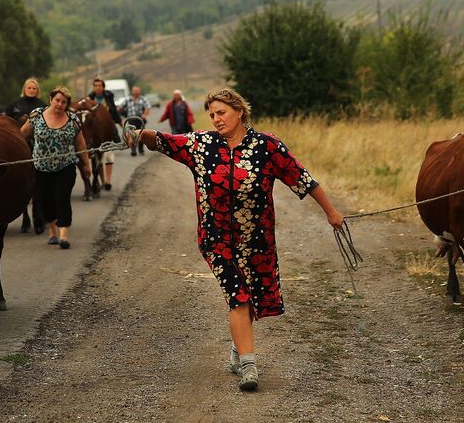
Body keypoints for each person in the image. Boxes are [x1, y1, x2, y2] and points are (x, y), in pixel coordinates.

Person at [127, 88, 344, 391]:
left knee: (251, 295)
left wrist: (332, 212)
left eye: (221, 112)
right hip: (216, 239)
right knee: (238, 295)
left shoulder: (268, 147)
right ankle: (249, 366)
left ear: (239, 111)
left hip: (256, 239)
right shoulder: (201, 145)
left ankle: (237, 350)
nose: (216, 119)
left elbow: (303, 179)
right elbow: (164, 141)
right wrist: (139, 134)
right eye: (212, 114)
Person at [20, 86, 91, 250]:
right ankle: (52, 231)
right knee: (45, 201)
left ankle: (63, 235)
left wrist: (86, 165)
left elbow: (80, 143)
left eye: (64, 102)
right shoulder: (36, 115)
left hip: (65, 166)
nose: (59, 104)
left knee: (62, 198)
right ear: (51, 99)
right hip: (41, 168)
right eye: (57, 100)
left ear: (67, 104)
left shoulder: (73, 119)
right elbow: (21, 134)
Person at [5, 78, 48, 233]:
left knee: (38, 184)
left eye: (34, 88)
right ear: (24, 89)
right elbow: (5, 121)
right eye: (29, 88)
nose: (31, 90)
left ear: (37, 90)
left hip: (38, 145)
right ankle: (25, 217)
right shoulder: (15, 105)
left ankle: (39, 218)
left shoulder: (43, 105)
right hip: (18, 143)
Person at [88, 77, 123, 191]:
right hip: (95, 131)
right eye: (96, 85)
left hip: (108, 128)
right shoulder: (90, 98)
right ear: (93, 87)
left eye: (100, 85)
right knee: (97, 156)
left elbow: (114, 111)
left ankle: (108, 181)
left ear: (103, 87)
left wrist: (122, 125)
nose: (98, 87)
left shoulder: (108, 96)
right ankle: (102, 181)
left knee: (108, 155)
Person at [119, 85, 151, 156]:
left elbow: (147, 107)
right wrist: (119, 113)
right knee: (131, 135)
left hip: (140, 119)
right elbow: (120, 107)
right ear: (132, 92)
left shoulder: (143, 99)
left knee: (141, 134)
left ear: (139, 92)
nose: (136, 92)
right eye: (135, 91)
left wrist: (145, 114)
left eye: (137, 91)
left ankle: (141, 149)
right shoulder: (128, 99)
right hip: (131, 120)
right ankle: (133, 150)